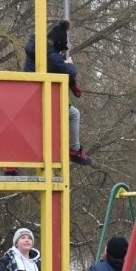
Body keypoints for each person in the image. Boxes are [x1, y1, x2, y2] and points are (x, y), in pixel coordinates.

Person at [24, 20, 91, 166]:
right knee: (74, 114)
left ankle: (11, 164)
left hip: (28, 96)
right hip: (43, 100)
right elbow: (68, 72)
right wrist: (70, 63)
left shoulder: (36, 46)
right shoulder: (51, 56)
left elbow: (55, 70)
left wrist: (72, 85)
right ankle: (74, 149)